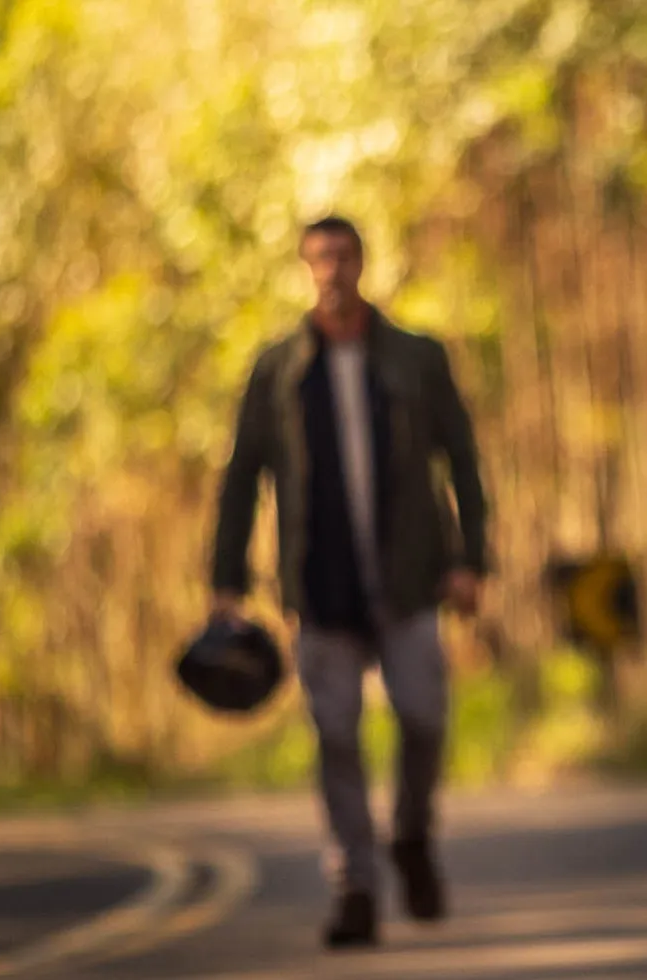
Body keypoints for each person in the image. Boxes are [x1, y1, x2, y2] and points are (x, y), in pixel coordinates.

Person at [209, 215, 489, 948]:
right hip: (319, 583)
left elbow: (461, 459)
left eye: (342, 255)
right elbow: (242, 478)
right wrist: (226, 579)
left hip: (410, 576)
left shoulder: (415, 358)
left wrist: (470, 561)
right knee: (335, 737)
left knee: (424, 718)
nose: (331, 269)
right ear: (306, 269)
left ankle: (412, 838)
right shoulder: (277, 368)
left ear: (362, 261)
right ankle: (356, 885)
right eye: (318, 258)